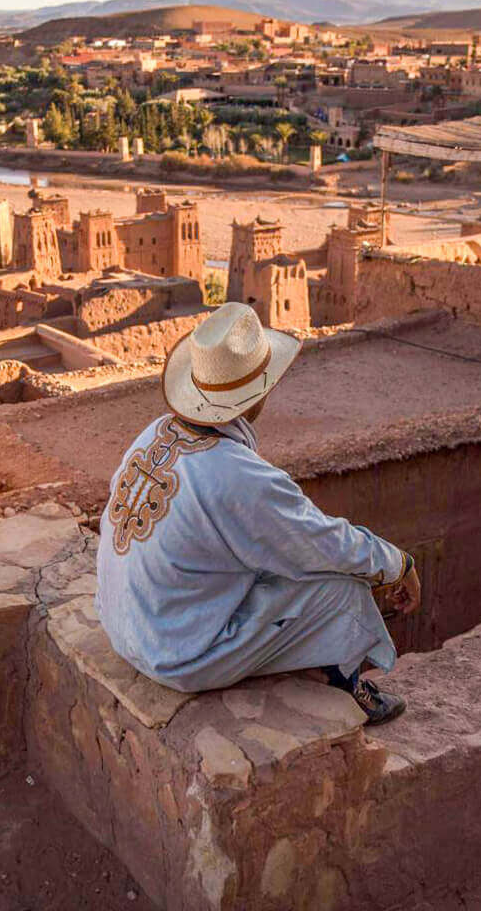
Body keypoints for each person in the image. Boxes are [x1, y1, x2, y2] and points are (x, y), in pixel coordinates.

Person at [95, 302, 420, 725]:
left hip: (124, 626)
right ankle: (346, 684)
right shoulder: (239, 476)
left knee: (275, 560)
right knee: (340, 586)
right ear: (257, 395)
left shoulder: (154, 432)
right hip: (174, 653)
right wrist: (397, 563)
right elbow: (323, 544)